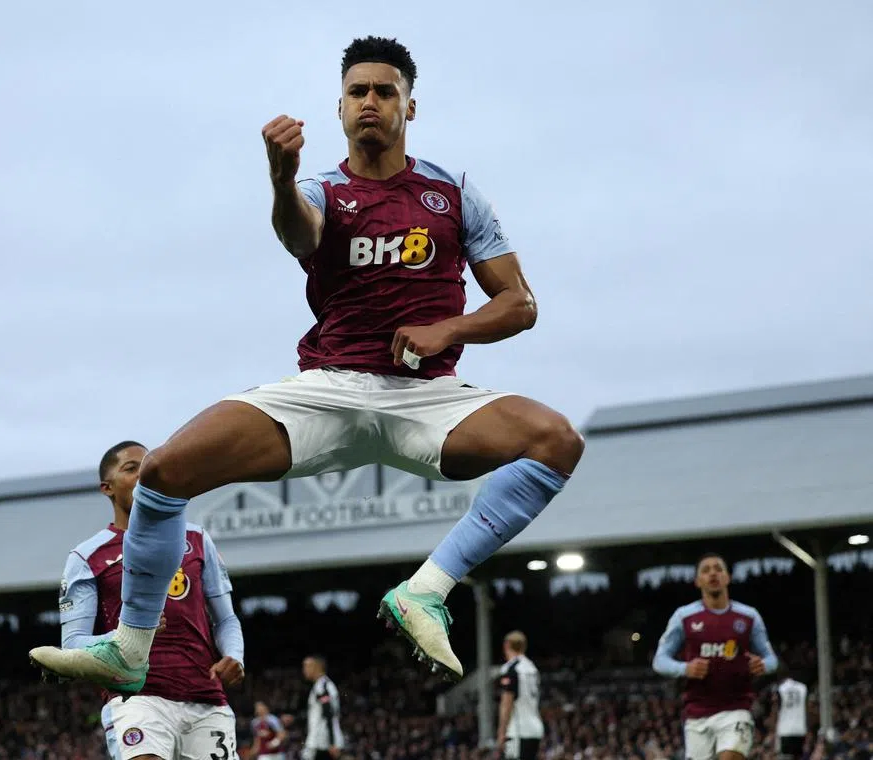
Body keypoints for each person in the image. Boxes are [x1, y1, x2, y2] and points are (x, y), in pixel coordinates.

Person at [38, 35, 583, 695]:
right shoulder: (322, 190)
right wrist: (278, 175)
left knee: (556, 440)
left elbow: (519, 305)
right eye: (359, 92)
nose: (371, 102)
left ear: (412, 105)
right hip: (327, 390)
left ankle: (426, 591)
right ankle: (130, 647)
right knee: (162, 472)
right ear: (340, 107)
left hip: (427, 399)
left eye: (386, 91)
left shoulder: (452, 193)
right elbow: (301, 234)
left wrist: (448, 329)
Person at [30, 441, 245, 760]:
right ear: (107, 487)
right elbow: (73, 643)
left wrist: (235, 655)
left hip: (206, 699)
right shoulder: (87, 556)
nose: (143, 476)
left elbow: (225, 619)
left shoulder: (197, 539)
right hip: (137, 697)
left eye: (147, 468)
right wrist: (127, 635)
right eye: (131, 469)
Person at [653, 553, 779, 760]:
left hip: (736, 709)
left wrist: (762, 665)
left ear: (727, 577)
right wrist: (685, 668)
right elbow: (660, 660)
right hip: (697, 714)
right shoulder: (683, 617)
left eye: (718, 569)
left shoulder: (748, 616)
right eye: (706, 570)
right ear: (697, 581)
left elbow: (771, 659)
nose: (713, 573)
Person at [496, 631, 543, 760]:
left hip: (518, 730)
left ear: (506, 645)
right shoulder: (532, 668)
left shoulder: (511, 669)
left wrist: (501, 732)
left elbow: (507, 703)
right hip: (535, 729)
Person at [302, 656, 343, 760]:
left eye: (307, 666)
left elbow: (328, 713)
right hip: (319, 742)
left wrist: (332, 742)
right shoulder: (319, 686)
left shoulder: (323, 686)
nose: (304, 669)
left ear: (318, 667)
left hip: (323, 743)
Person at [774, 665, 808, 760]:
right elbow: (807, 709)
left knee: (785, 756)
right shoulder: (802, 687)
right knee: (798, 756)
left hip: (785, 730)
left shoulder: (780, 689)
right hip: (800, 729)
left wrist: (773, 728)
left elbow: (776, 709)